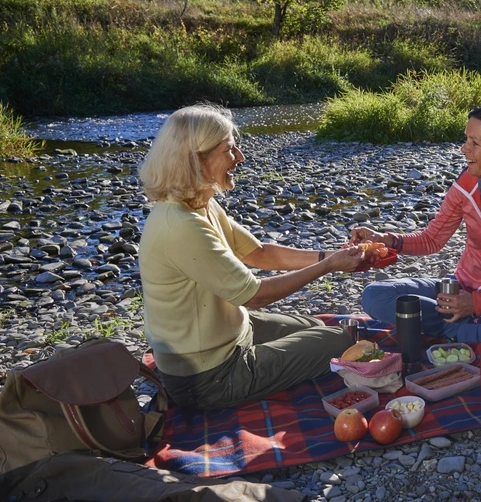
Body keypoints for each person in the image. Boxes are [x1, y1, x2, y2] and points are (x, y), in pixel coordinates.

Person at [138, 104, 363, 410]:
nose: (240, 157)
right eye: (229, 150)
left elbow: (259, 253)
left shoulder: (200, 203)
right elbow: (255, 296)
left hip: (232, 336)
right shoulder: (180, 226)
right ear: (197, 159)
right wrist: (329, 266)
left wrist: (334, 254)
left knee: (317, 327)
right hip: (208, 377)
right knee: (340, 341)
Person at [352, 99, 481, 358]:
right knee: (375, 295)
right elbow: (432, 239)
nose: (464, 149)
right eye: (466, 140)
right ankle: (474, 329)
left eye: (474, 143)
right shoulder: (466, 184)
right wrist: (386, 239)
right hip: (460, 289)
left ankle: (454, 328)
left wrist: (477, 304)